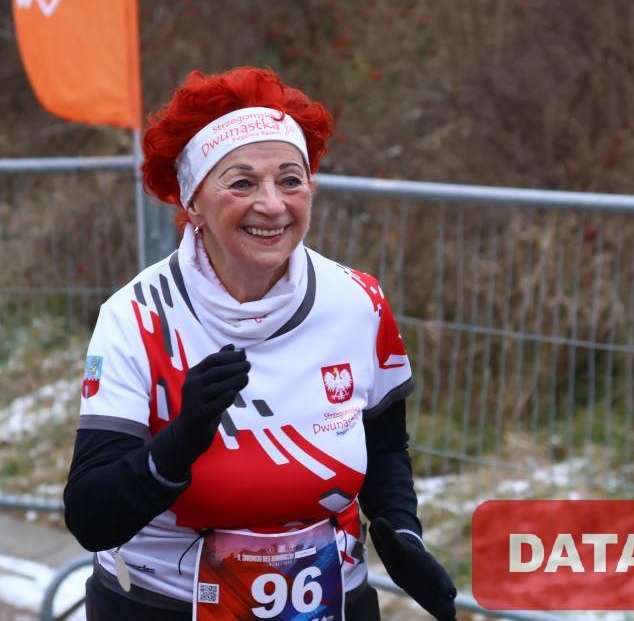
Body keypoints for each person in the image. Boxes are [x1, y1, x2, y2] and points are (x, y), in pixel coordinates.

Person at [64, 66, 457, 620]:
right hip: (160, 605)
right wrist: (180, 442)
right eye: (242, 183)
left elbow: (385, 448)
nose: (272, 205)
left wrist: (402, 533)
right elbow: (90, 517)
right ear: (193, 200)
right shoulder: (136, 315)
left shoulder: (357, 301)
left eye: (290, 180)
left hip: (329, 603)